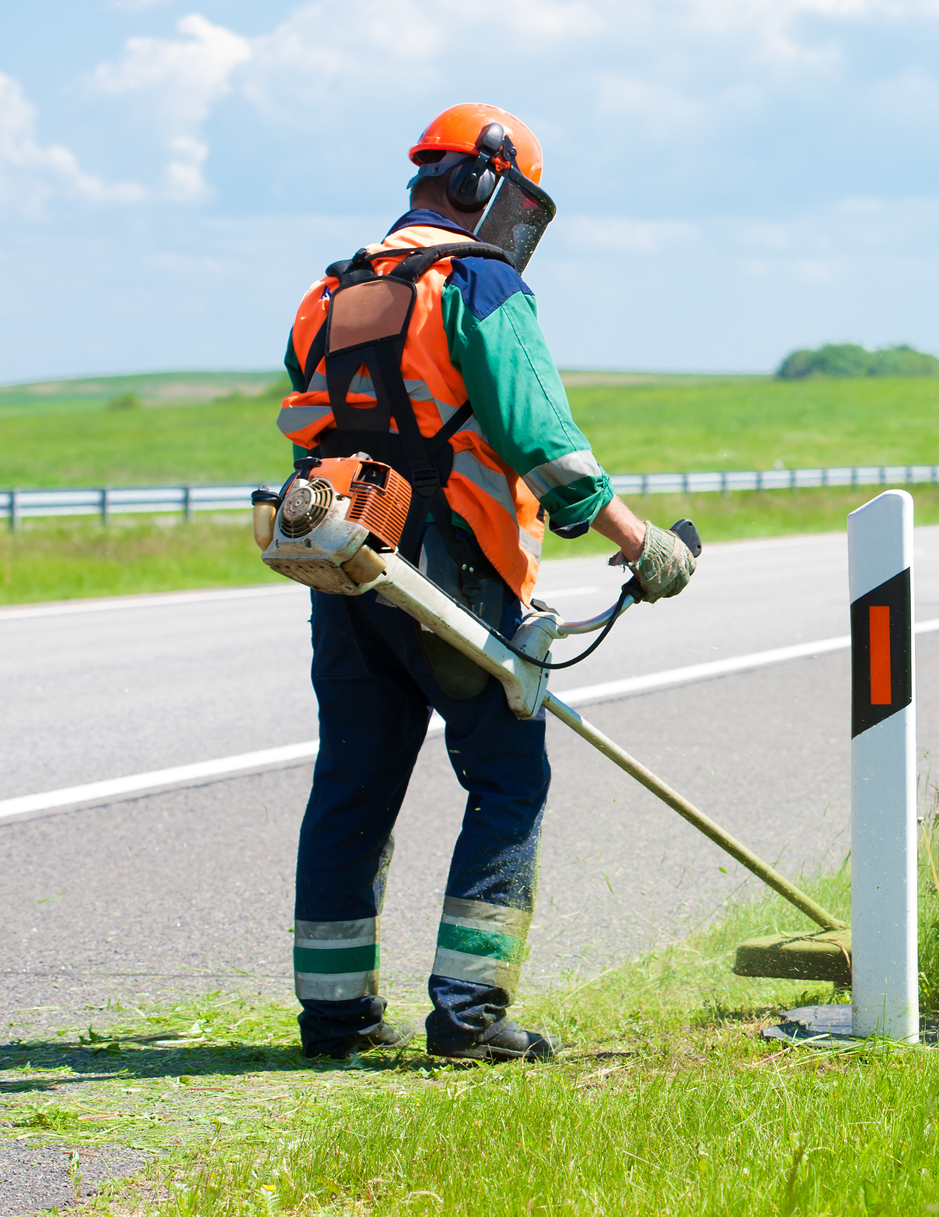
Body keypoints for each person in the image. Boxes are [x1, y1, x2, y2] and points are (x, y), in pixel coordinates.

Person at [275, 103, 694, 1063]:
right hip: (452, 569)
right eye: (513, 200)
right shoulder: (478, 281)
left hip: (345, 566)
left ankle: (334, 1016)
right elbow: (537, 434)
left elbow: (314, 425)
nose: (512, 223)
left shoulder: (327, 292)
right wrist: (638, 542)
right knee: (509, 774)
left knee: (352, 781)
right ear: (480, 183)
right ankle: (468, 1013)